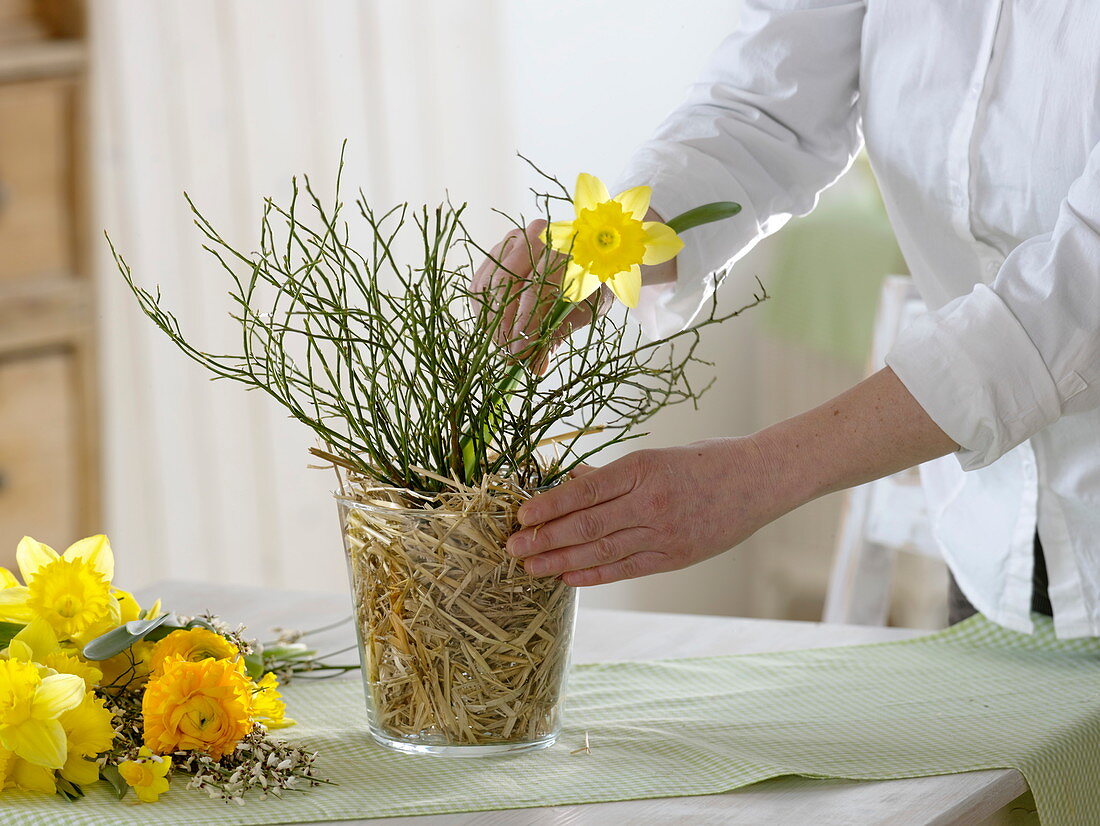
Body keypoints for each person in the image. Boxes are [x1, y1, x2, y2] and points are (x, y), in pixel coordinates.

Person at [473, 1, 1100, 638]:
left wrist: (758, 476)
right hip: (991, 548)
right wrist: (602, 245)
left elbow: (1079, 292)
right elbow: (762, 111)